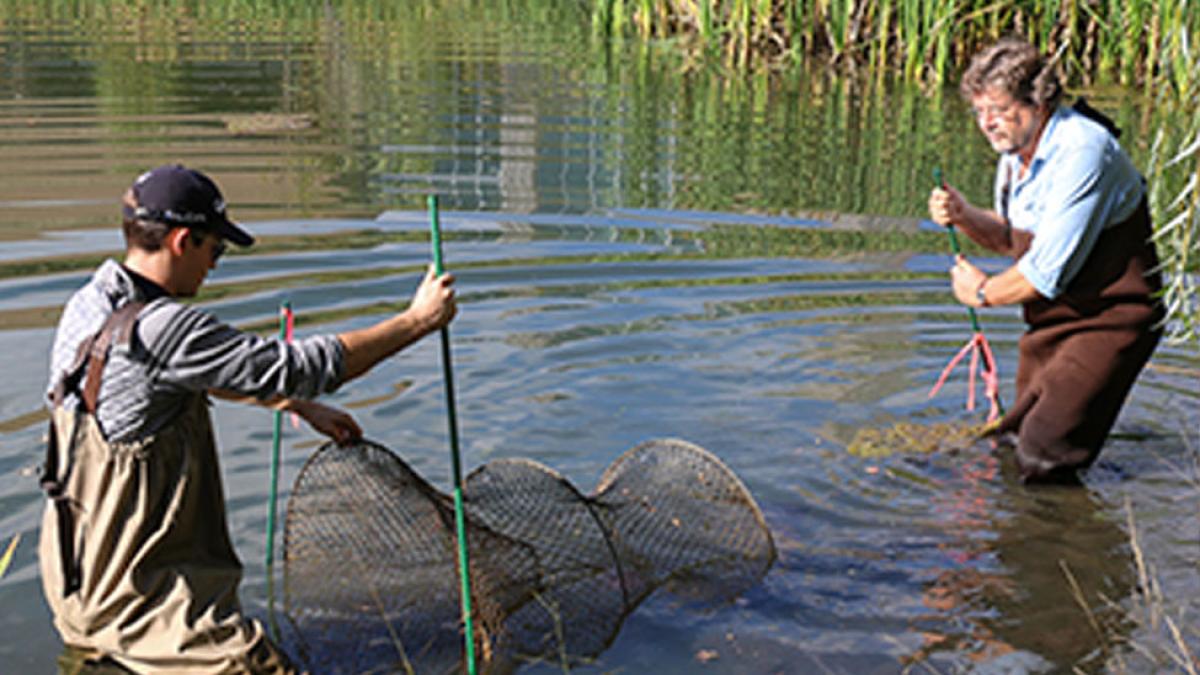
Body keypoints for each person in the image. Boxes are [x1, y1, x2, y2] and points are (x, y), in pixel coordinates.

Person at [39, 164, 457, 673]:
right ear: (182, 241)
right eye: (215, 249)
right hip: (142, 609)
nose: (214, 266)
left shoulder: (90, 305)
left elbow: (169, 378)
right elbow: (306, 366)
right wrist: (418, 321)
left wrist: (293, 406)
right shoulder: (166, 327)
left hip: (77, 590)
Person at [928, 38, 1164, 482]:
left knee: (1044, 454)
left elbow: (1045, 274)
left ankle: (1061, 545)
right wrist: (964, 216)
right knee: (1015, 441)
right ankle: (1027, 534)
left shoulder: (1083, 150)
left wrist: (980, 293)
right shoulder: (1016, 151)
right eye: (979, 111)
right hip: (1056, 322)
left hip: (1113, 321)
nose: (987, 124)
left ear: (1036, 101)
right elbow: (1012, 239)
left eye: (997, 109)